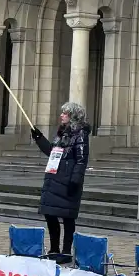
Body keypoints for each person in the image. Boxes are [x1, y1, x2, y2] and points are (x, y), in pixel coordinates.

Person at [31, 102, 90, 263]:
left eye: (65, 113)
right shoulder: (61, 133)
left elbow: (81, 160)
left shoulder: (80, 134)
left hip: (68, 181)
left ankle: (65, 251)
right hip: (54, 179)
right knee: (50, 214)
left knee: (68, 217)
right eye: (62, 112)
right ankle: (54, 248)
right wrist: (39, 138)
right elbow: (52, 151)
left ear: (73, 116)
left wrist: (75, 180)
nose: (61, 115)